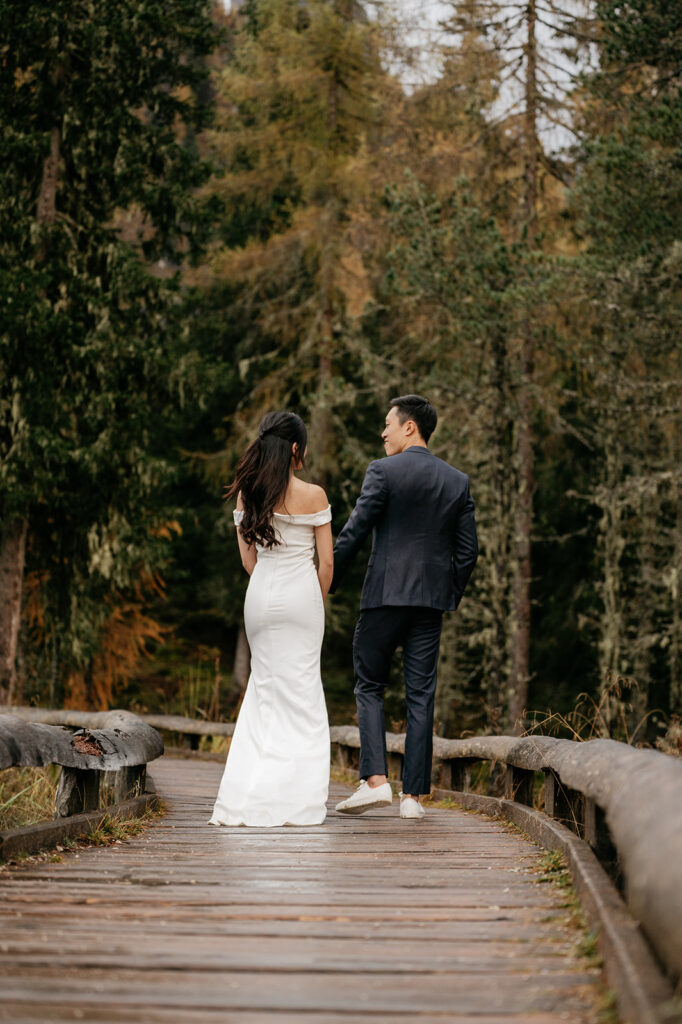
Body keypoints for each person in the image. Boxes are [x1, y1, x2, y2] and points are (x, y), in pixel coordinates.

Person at [331, 394, 478, 820]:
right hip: (429, 604)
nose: (383, 433)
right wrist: (445, 592)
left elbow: (355, 531)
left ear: (409, 427)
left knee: (369, 685)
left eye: (388, 425)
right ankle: (413, 798)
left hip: (383, 596)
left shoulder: (383, 471)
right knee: (420, 696)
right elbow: (468, 554)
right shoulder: (457, 481)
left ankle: (376, 781)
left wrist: (328, 579)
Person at [209, 411, 333, 827]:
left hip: (260, 596)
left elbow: (248, 559)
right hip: (302, 596)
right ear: (296, 448)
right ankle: (297, 802)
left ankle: (247, 796)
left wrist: (268, 583)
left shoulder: (248, 494)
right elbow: (327, 564)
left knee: (264, 696)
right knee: (303, 697)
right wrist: (312, 602)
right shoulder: (314, 495)